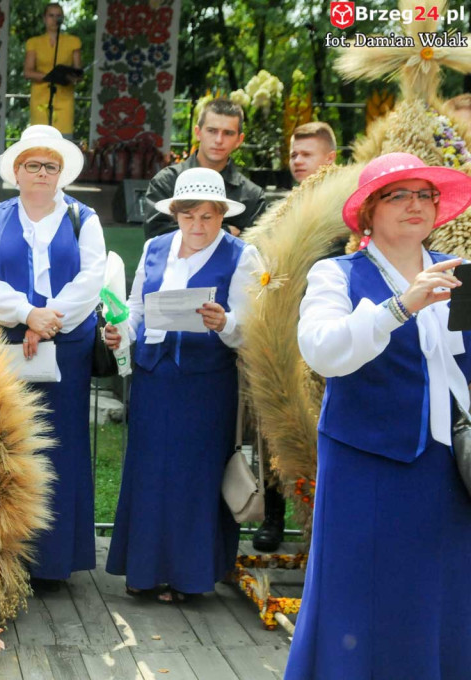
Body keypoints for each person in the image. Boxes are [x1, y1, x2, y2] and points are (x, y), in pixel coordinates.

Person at [285, 152, 471, 679]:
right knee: (360, 589)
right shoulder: (335, 274)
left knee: (439, 590)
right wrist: (400, 307)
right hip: (366, 462)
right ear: (368, 211)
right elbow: (323, 352)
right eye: (399, 195)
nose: (416, 205)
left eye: (425, 195)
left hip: (450, 465)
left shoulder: (460, 273)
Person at [104, 167, 262, 602]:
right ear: (174, 213)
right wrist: (121, 332)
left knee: (195, 477)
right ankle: (143, 572)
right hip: (155, 381)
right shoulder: (156, 248)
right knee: (150, 474)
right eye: (188, 215)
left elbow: (253, 328)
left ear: (222, 216)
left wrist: (224, 322)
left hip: (207, 385)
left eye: (207, 217)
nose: (197, 226)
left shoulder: (242, 256)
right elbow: (136, 309)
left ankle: (189, 578)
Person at [0, 125, 105, 590]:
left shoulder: (84, 218)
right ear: (17, 171)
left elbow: (91, 279)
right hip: (8, 343)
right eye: (33, 165)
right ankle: (5, 554)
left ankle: (52, 561)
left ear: (61, 173)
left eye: (51, 165)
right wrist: (27, 314)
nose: (42, 173)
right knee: (7, 444)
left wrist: (50, 320)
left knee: (59, 447)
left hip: (66, 348)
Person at [249, 120, 340, 555]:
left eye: (306, 154)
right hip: (279, 335)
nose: (297, 162)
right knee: (272, 432)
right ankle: (272, 518)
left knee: (312, 431)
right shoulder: (279, 208)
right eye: (293, 154)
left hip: (324, 337)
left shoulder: (345, 209)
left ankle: (319, 526)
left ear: (331, 159)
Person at [144, 98, 266, 240]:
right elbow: (156, 237)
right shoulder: (166, 182)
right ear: (198, 132)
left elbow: (253, 252)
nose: (219, 140)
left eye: (228, 133)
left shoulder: (252, 196)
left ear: (239, 140)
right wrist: (225, 231)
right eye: (212, 131)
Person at [23, 3, 82, 136]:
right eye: (51, 15)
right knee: (40, 140)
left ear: (63, 19)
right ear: (44, 18)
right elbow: (28, 72)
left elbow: (78, 72)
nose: (55, 19)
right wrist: (51, 76)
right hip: (40, 99)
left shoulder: (73, 41)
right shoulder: (34, 42)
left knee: (63, 140)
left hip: (64, 98)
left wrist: (73, 77)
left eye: (58, 16)